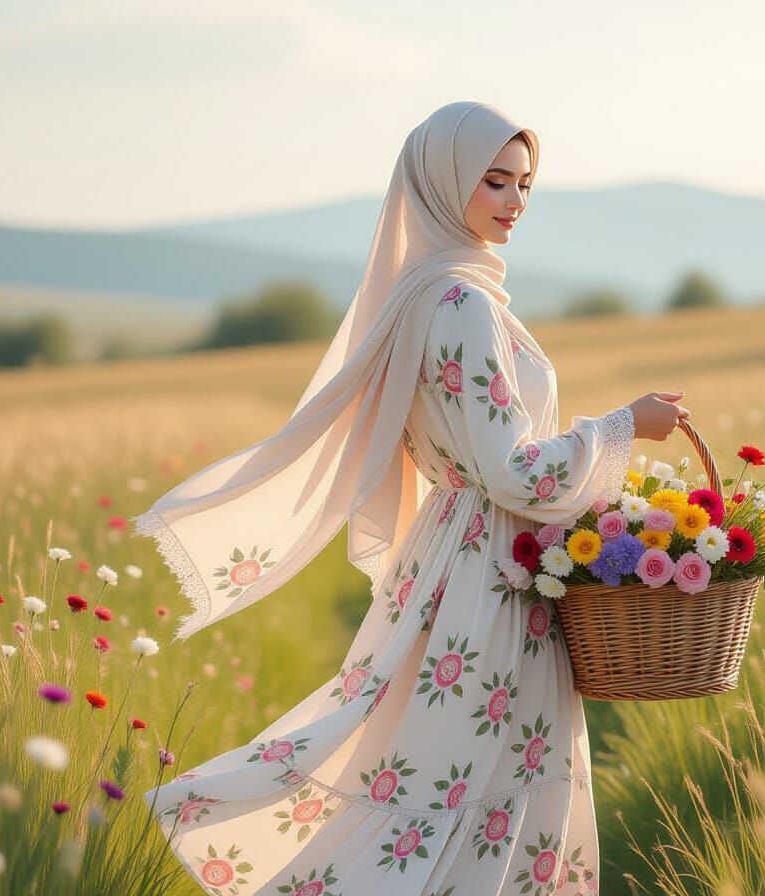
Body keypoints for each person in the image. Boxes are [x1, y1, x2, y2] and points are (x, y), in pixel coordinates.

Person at [131, 100, 689, 896]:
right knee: (469, 786)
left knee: (446, 777)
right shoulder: (458, 303)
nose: (513, 202)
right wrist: (623, 426)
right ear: (439, 181)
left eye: (525, 184)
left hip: (466, 559)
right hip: (492, 572)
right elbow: (511, 472)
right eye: (493, 180)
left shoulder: (435, 293)